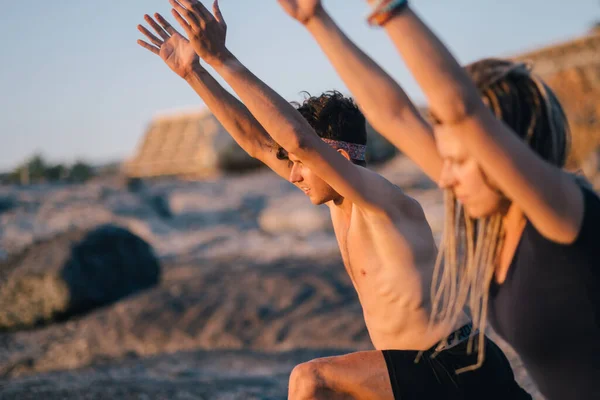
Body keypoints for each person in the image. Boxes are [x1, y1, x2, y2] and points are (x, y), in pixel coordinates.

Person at [136, 1, 531, 399]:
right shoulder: (335, 198)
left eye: (302, 164)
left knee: (310, 381)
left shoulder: (383, 201)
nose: (293, 174)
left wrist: (222, 58)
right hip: (419, 374)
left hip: (456, 367)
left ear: (339, 159)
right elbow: (259, 144)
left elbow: (300, 141)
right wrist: (195, 73)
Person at [280, 0, 599, 398]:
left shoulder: (562, 214)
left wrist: (391, 10)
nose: (444, 176)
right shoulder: (496, 223)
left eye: (460, 160)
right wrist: (315, 20)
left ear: (505, 151)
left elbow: (460, 109)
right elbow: (396, 115)